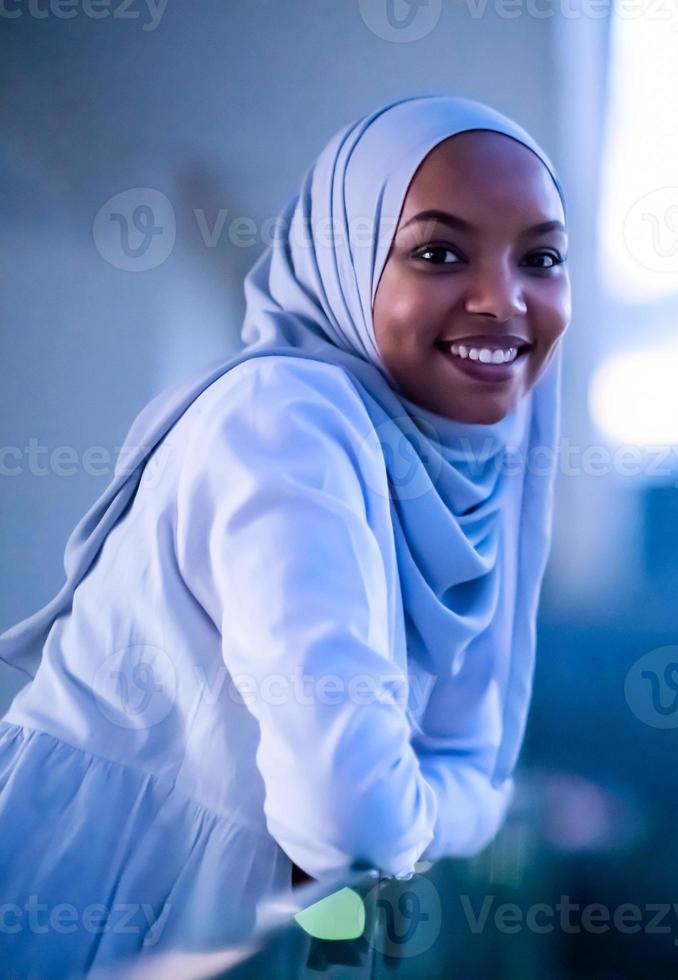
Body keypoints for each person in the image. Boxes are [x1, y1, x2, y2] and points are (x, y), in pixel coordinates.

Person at [0, 94, 570, 973]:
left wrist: (435, 802)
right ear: (345, 261)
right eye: (438, 252)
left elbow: (462, 760)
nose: (503, 299)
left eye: (541, 258)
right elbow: (356, 819)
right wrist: (449, 810)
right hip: (88, 902)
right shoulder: (288, 418)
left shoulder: (462, 473)